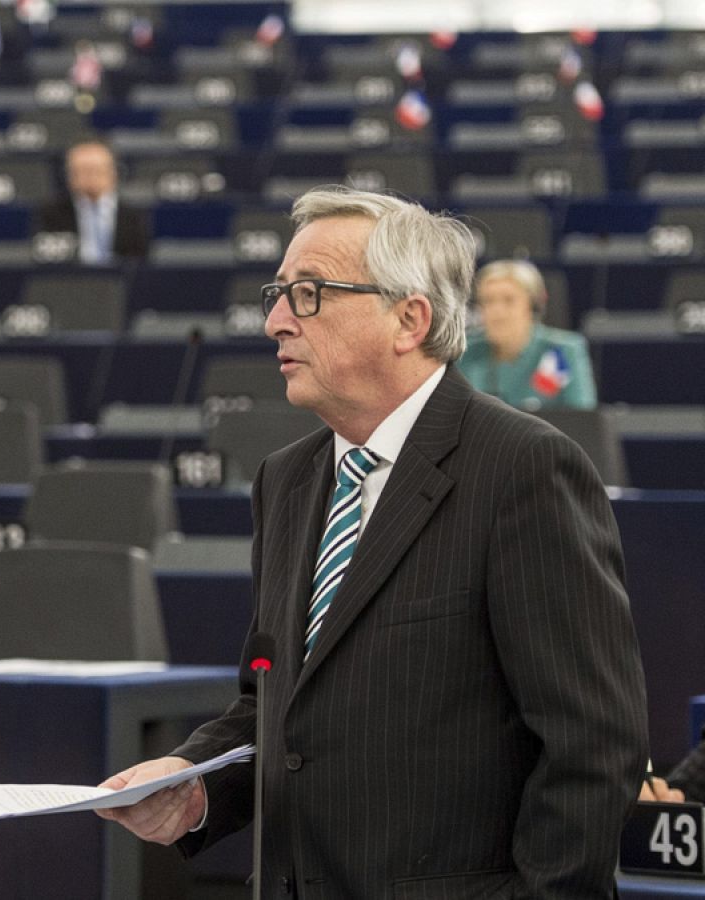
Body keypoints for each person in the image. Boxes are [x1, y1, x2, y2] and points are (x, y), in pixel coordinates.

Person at [95, 186, 647, 896]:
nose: (274, 322)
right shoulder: (286, 480)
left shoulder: (523, 468)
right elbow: (276, 705)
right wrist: (194, 783)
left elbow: (593, 745)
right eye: (278, 294)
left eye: (309, 294)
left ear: (408, 318)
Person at [457, 259, 597, 411]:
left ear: (533, 306)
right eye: (488, 301)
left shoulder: (561, 351)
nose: (497, 311)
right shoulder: (464, 351)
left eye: (508, 300)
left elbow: (582, 420)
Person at [35, 139, 149, 265]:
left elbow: (140, 260)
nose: (91, 177)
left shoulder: (133, 215)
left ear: (113, 173)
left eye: (96, 170)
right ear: (70, 176)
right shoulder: (50, 214)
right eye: (83, 170)